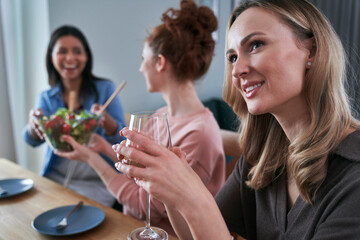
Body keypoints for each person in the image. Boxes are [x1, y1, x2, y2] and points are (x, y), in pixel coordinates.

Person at [113, 0, 360, 239]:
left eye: (255, 45)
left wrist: (194, 197)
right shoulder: (261, 157)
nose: (237, 70)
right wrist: (172, 192)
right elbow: (198, 234)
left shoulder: (353, 177)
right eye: (232, 57)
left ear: (312, 51)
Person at [55, 0, 225, 236]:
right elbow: (137, 170)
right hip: (128, 226)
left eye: (142, 58)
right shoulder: (160, 115)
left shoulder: (198, 135)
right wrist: (104, 146)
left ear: (160, 62)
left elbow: (145, 206)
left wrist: (93, 159)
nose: (140, 68)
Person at [23, 25, 126, 208]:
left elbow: (122, 140)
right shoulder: (47, 98)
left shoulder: (106, 90)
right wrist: (34, 124)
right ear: (51, 57)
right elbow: (31, 140)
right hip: (55, 178)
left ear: (86, 56)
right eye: (62, 51)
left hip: (98, 180)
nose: (70, 58)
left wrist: (108, 123)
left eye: (77, 51)